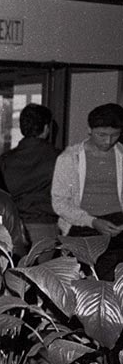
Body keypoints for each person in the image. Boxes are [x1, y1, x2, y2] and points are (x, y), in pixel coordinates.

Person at [52, 103, 123, 280]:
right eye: (102, 135)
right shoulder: (69, 158)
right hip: (83, 225)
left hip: (118, 225)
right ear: (89, 130)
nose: (108, 141)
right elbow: (59, 202)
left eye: (115, 135)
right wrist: (92, 221)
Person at [0, 103, 61, 250]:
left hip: (12, 225)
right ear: (46, 128)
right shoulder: (59, 157)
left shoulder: (5, 159)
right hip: (45, 225)